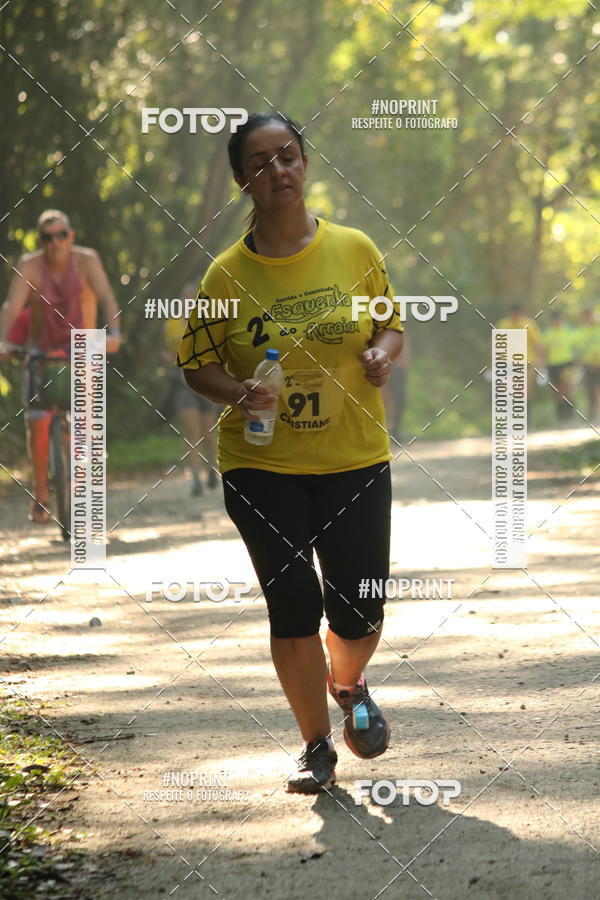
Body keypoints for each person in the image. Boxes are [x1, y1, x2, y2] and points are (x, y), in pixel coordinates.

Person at [176, 112, 403, 794]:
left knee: (360, 607)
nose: (279, 169)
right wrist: (239, 390)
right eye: (261, 161)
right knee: (293, 602)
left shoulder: (355, 249)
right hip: (261, 463)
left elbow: (391, 327)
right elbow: (196, 366)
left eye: (289, 155)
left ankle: (348, 679)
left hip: (355, 455)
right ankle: (315, 747)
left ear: (304, 163)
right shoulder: (225, 276)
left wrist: (379, 356)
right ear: (242, 179)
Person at [0, 210, 121, 523]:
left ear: (71, 236)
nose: (55, 242)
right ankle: (41, 491)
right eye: (47, 237)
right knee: (38, 421)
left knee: (87, 423)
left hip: (83, 350)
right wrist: (4, 342)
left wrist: (114, 333)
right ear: (40, 241)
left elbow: (107, 297)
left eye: (60, 235)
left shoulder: (87, 261)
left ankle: (88, 484)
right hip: (42, 352)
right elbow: (12, 306)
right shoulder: (30, 265)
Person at [163, 289, 219, 495]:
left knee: (208, 432)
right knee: (191, 429)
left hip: (205, 383)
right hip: (181, 384)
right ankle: (195, 477)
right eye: (184, 299)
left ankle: (211, 468)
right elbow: (167, 352)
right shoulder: (171, 325)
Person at [496, 303, 543, 406]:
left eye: (518, 314)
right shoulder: (503, 325)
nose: (516, 316)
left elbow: (537, 345)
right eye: (514, 314)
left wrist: (540, 364)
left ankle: (527, 417)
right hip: (508, 362)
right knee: (507, 390)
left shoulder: (529, 325)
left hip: (526, 362)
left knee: (526, 389)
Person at [541, 309, 576, 424]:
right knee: (557, 392)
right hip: (552, 365)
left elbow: (576, 346)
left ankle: (570, 417)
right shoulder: (547, 333)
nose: (556, 321)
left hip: (566, 363)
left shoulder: (568, 330)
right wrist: (542, 366)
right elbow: (544, 351)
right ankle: (561, 418)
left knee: (567, 389)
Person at [381, 332, 410, 443]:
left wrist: (404, 362)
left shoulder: (399, 328)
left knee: (399, 400)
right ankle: (386, 430)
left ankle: (396, 430)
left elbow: (405, 344)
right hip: (382, 366)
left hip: (398, 368)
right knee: (384, 400)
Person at [575, 307, 600, 422]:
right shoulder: (582, 330)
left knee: (597, 390)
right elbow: (579, 349)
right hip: (588, 365)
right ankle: (593, 415)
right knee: (590, 391)